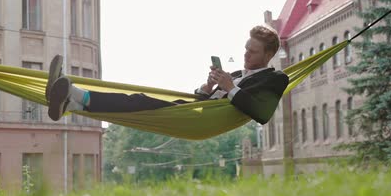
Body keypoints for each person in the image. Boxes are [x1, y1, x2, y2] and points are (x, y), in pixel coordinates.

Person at [46, 25, 289, 125]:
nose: (246, 55)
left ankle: (72, 92)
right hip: (193, 110)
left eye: (252, 51)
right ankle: (71, 102)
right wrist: (206, 88)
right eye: (245, 48)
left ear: (268, 54)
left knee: (139, 101)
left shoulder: (276, 79)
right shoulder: (236, 72)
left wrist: (231, 87)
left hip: (202, 123)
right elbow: (204, 102)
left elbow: (263, 114)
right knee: (136, 102)